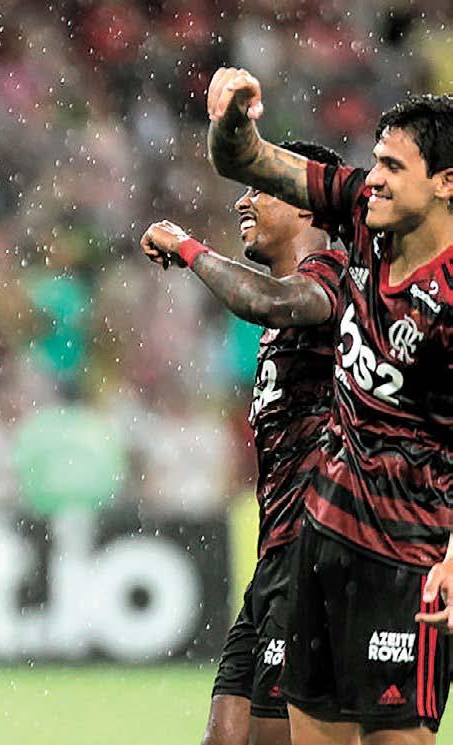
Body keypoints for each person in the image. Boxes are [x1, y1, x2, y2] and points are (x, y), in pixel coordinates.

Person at [177, 67, 453, 745]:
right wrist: (232, 119)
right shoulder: (360, 210)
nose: (374, 178)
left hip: (407, 558)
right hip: (320, 543)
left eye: (393, 166)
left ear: (446, 183)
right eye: (376, 161)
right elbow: (243, 159)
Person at [142, 140, 347, 745]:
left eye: (262, 188)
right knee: (225, 738)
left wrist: (189, 248)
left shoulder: (336, 279)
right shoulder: (283, 318)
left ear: (307, 205)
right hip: (275, 560)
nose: (243, 201)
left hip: (315, 553)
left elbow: (268, 300)